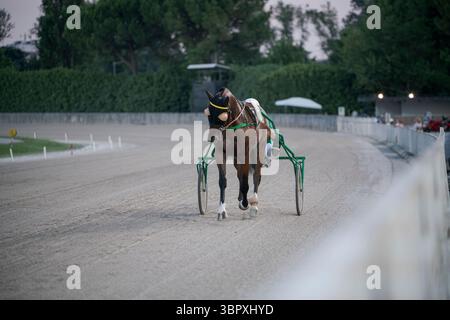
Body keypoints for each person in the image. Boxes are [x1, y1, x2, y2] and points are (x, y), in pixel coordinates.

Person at [244, 98, 273, 167]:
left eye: (252, 107)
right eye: (248, 107)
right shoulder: (245, 118)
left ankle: (265, 159)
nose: (250, 110)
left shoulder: (263, 116)